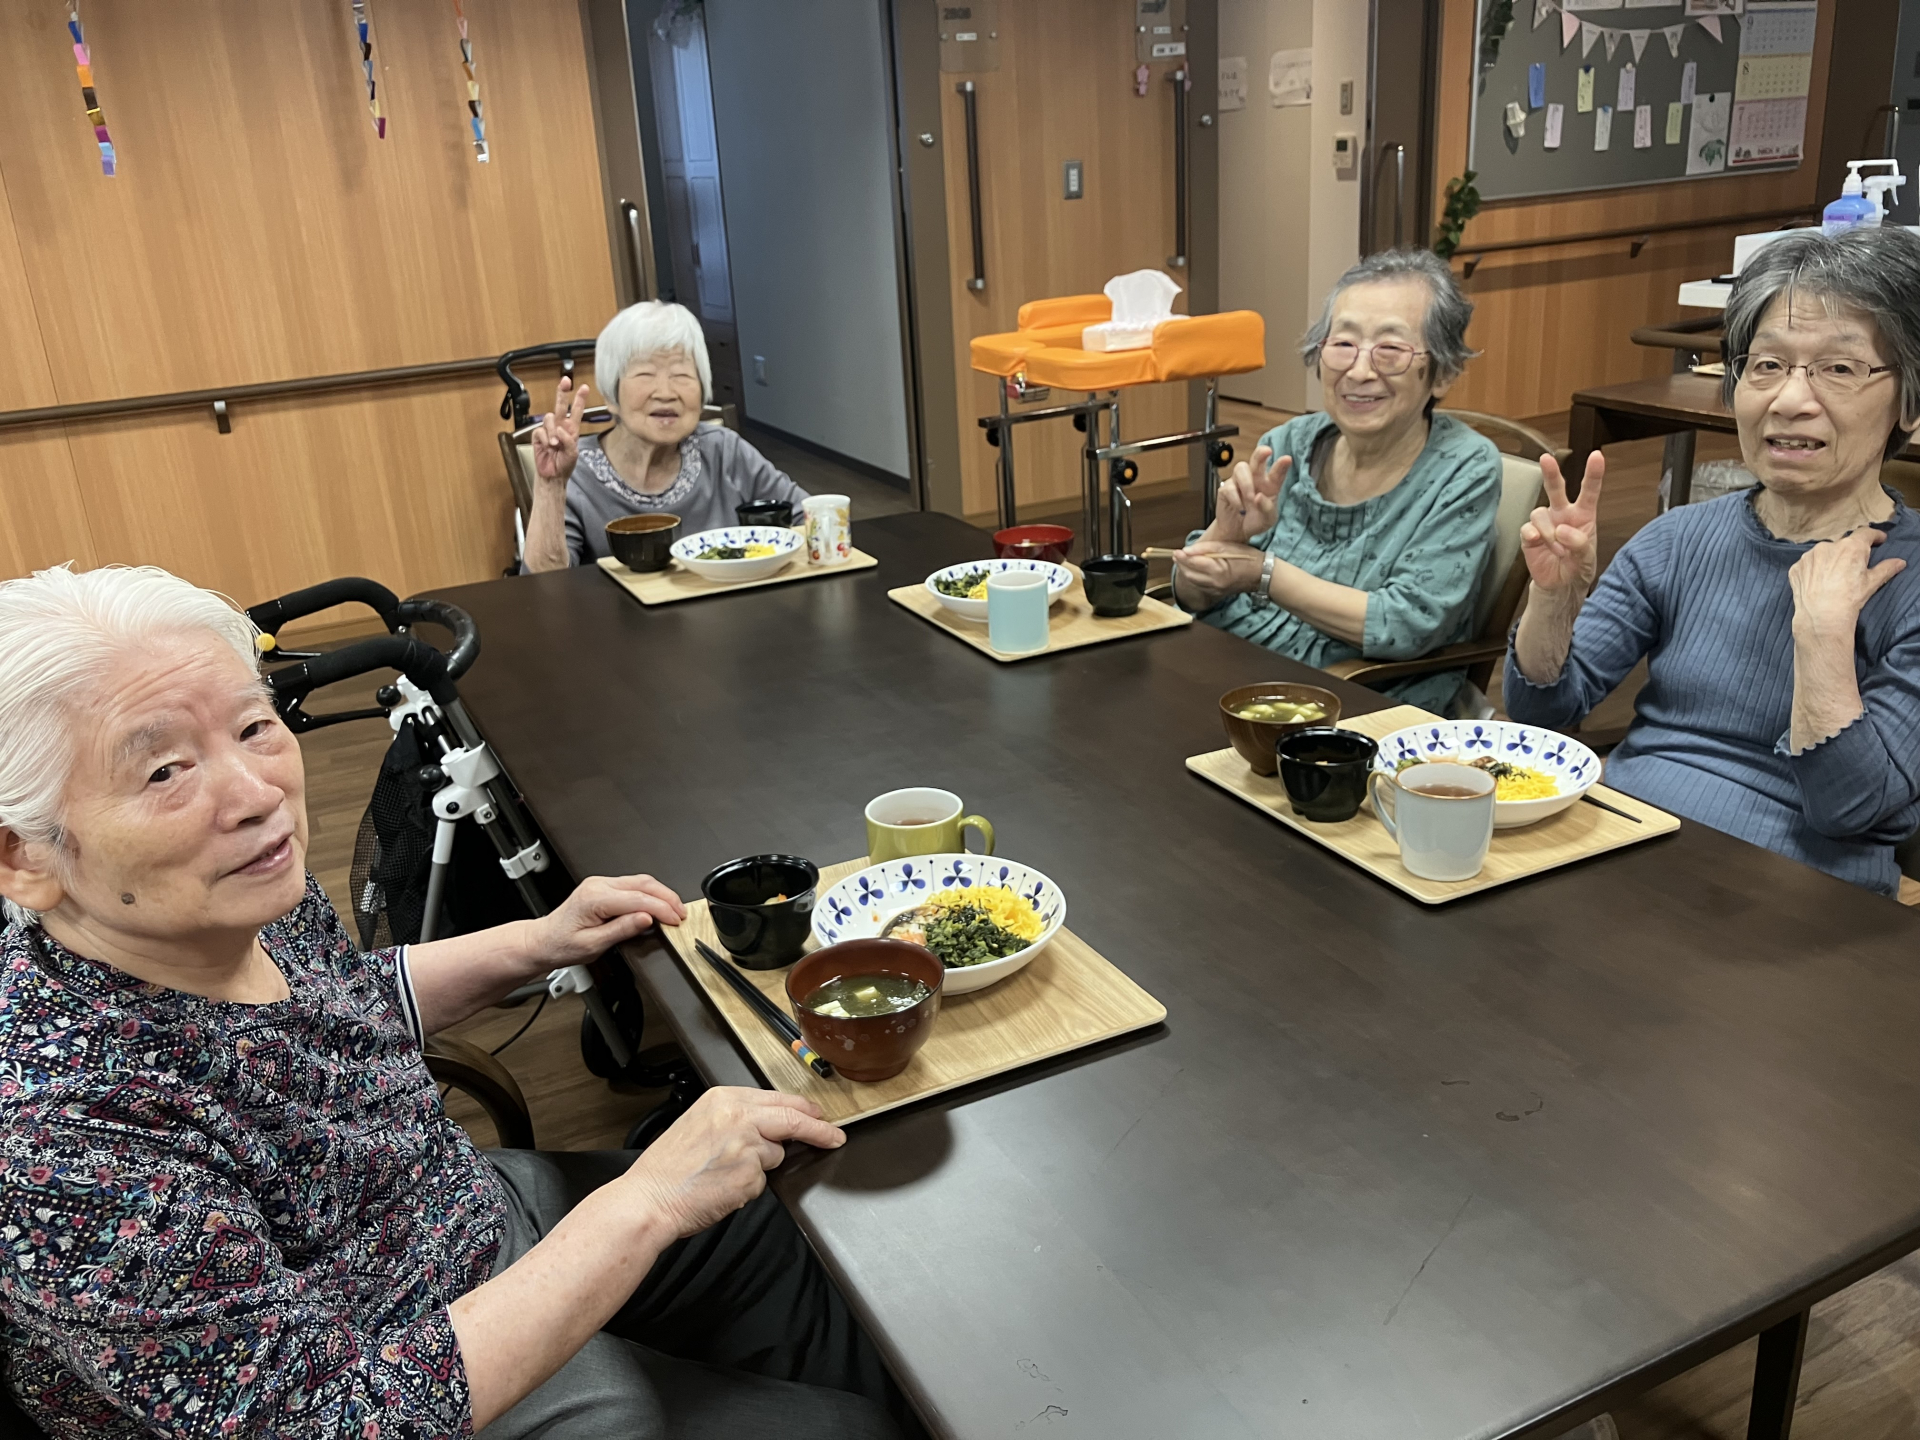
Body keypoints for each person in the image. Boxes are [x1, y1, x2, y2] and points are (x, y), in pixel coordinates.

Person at [0, 564, 913, 1439]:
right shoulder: (59, 1142)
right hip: (382, 1377)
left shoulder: (225, 892)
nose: (256, 793)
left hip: (455, 1209)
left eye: (252, 726)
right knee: (850, 1430)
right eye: (163, 771)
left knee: (792, 1237)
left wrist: (540, 940)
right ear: (24, 856)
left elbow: (336, 1007)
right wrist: (646, 1204)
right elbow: (325, 1420)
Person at [1505, 225, 1920, 896]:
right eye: (1766, 365)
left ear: (1910, 404)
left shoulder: (1914, 581)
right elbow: (1540, 713)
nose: (1790, 399)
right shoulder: (1678, 539)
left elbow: (1850, 809)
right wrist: (1553, 600)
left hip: (1800, 904)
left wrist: (1822, 639)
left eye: (1839, 369)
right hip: (1623, 847)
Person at [1172, 248, 1504, 715]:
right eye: (1344, 344)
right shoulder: (1288, 443)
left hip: (1355, 706)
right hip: (1233, 675)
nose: (1360, 371)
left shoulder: (1463, 467)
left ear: (1443, 373)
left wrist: (1263, 573)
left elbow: (1407, 622)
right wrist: (1222, 539)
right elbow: (1189, 590)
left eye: (1390, 350)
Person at [522, 301, 809, 571]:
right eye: (645, 374)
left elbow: (811, 521)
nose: (666, 392)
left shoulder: (725, 452)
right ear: (611, 395)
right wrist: (551, 486)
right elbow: (544, 588)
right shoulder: (577, 474)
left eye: (681, 375)